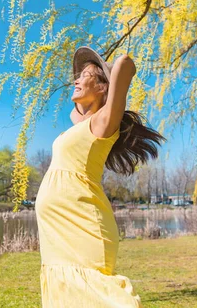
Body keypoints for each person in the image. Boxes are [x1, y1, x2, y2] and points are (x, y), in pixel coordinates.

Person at [35, 46, 166, 307]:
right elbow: (76, 112)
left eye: (84, 75)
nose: (76, 79)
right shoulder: (84, 124)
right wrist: (90, 82)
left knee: (95, 294)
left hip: (83, 224)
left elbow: (125, 63)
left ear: (104, 87)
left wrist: (102, 69)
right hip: (59, 232)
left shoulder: (104, 123)